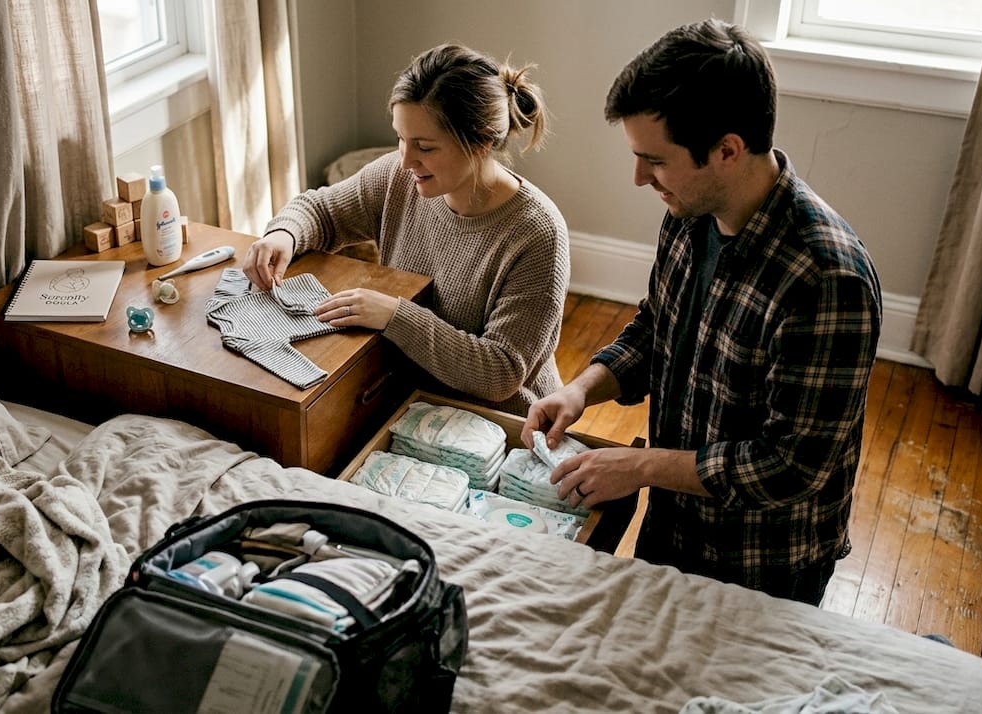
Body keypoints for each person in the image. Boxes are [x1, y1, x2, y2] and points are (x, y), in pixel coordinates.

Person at [521, 18, 881, 605]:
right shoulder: (690, 212)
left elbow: (790, 466)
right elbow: (658, 327)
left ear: (728, 150)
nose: (639, 178)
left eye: (655, 160)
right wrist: (583, 388)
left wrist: (639, 468)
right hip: (675, 521)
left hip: (763, 561)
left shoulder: (827, 280)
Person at [241, 43, 569, 415]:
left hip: (497, 424)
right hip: (405, 398)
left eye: (425, 147)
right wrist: (282, 234)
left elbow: (498, 373)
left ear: (482, 142)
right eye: (401, 138)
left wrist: (396, 315)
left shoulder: (537, 234)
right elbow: (322, 210)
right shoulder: (398, 178)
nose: (406, 159)